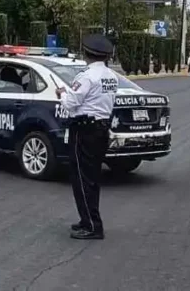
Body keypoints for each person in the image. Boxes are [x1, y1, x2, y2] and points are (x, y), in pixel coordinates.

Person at [55, 33, 117, 240]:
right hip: (101, 129)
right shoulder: (111, 76)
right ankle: (87, 220)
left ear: (86, 53)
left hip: (84, 131)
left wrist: (61, 93)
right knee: (92, 178)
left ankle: (92, 225)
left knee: (81, 178)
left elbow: (70, 103)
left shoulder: (86, 76)